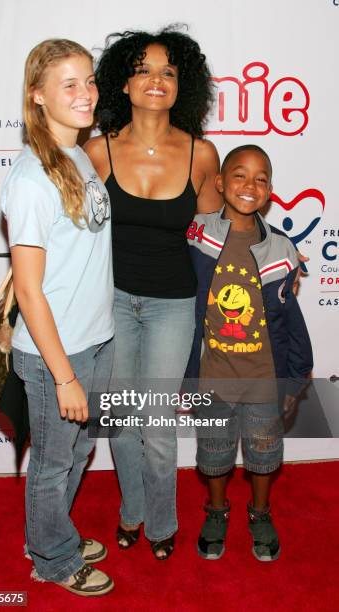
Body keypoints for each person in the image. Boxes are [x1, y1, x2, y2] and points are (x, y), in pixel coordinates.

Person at [85, 27, 221, 559]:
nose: (156, 81)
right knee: (121, 423)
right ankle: (132, 511)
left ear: (181, 85)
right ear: (123, 82)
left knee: (158, 428)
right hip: (110, 301)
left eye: (168, 71)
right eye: (143, 69)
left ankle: (162, 523)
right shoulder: (97, 152)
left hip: (173, 305)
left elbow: (213, 238)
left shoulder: (201, 155)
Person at [1, 39, 114, 596]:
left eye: (88, 80)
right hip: (55, 356)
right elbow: (28, 288)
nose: (85, 93)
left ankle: (52, 532)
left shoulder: (75, 155)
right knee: (51, 463)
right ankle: (50, 557)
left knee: (79, 450)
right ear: (37, 97)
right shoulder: (30, 179)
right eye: (68, 84)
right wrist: (64, 374)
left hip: (92, 340)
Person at [185, 144, 313, 561]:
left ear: (270, 192)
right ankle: (217, 510)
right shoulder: (196, 233)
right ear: (220, 183)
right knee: (215, 454)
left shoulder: (282, 247)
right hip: (214, 378)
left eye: (261, 179)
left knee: (263, 456)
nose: (249, 185)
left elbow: (292, 319)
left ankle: (260, 512)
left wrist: (296, 376)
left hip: (263, 380)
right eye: (239, 175)